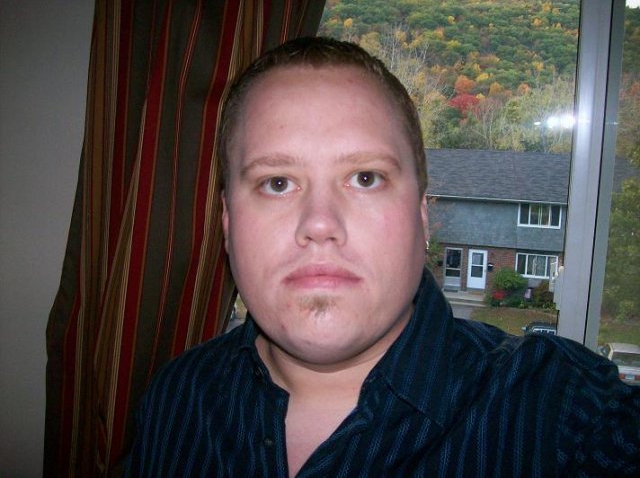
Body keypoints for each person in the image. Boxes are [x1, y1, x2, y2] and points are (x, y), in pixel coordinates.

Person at [124, 37, 640, 477]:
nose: (320, 224)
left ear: (422, 215)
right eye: (277, 182)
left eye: (365, 178)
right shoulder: (175, 399)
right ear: (227, 223)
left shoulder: (565, 412)